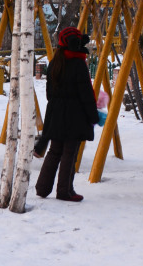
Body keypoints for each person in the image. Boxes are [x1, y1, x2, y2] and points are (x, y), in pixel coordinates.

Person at [34, 26, 99, 202]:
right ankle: (65, 190)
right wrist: (93, 116)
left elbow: (49, 93)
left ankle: (42, 187)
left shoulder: (56, 61)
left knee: (55, 151)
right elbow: (86, 93)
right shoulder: (78, 63)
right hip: (75, 116)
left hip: (56, 113)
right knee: (70, 152)